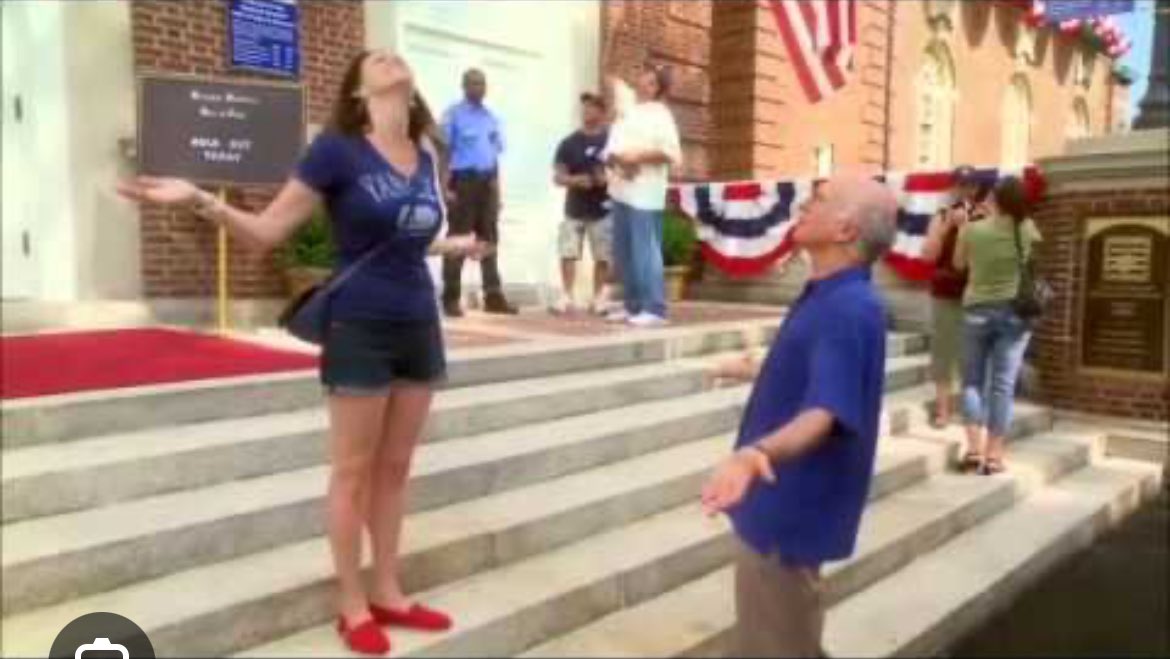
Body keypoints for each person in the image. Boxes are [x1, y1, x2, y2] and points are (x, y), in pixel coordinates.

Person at [116, 49, 486, 656]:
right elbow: (266, 234)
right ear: (360, 90)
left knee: (395, 470)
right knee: (352, 471)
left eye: (397, 56)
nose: (392, 58)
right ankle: (351, 604)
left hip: (419, 321)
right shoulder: (336, 150)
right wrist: (198, 199)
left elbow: (407, 237)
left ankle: (389, 591)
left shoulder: (426, 153)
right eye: (377, 59)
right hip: (359, 324)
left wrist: (454, 247)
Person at [702, 175, 898, 658]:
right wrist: (754, 370)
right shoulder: (829, 294)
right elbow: (816, 374)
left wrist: (755, 454)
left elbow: (824, 413)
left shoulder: (848, 308)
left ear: (846, 229)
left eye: (821, 198)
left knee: (775, 646)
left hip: (784, 518)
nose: (805, 202)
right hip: (776, 511)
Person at [952, 176, 1042, 476]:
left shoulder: (972, 229)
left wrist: (970, 224)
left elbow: (958, 265)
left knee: (972, 382)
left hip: (976, 309)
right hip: (1014, 313)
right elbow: (1032, 256)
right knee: (1002, 385)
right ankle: (993, 456)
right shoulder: (1027, 228)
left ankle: (973, 450)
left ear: (995, 199)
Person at [602, 62, 683, 328]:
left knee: (645, 250)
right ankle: (633, 305)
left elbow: (670, 153)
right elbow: (610, 148)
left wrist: (638, 156)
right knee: (625, 252)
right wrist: (617, 161)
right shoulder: (628, 113)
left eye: (649, 82)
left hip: (645, 193)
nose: (642, 84)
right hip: (621, 188)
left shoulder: (661, 114)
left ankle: (654, 307)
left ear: (658, 89)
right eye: (641, 79)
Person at [440, 68, 518, 317]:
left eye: (482, 84)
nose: (479, 88)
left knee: (489, 240)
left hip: (487, 183)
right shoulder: (453, 115)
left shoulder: (490, 118)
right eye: (474, 83)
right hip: (464, 182)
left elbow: (494, 157)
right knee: (459, 240)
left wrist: (498, 191)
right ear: (464, 86)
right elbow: (444, 153)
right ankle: (450, 297)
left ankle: (493, 296)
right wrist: (444, 187)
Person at [920, 165, 989, 439]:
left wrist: (973, 226)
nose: (965, 191)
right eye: (959, 185)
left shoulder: (986, 216)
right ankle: (943, 410)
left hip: (977, 294)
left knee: (974, 354)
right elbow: (928, 255)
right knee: (944, 353)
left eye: (969, 185)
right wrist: (949, 225)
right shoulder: (941, 217)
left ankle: (970, 410)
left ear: (976, 188)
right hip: (946, 293)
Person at [551, 92, 613, 315]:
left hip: (603, 208)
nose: (587, 111)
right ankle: (566, 296)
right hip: (574, 208)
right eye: (585, 107)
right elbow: (558, 177)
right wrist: (575, 180)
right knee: (568, 252)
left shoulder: (611, 141)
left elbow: (621, 171)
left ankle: (598, 299)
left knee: (603, 255)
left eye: (593, 107)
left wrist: (605, 178)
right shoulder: (568, 143)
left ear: (602, 111)